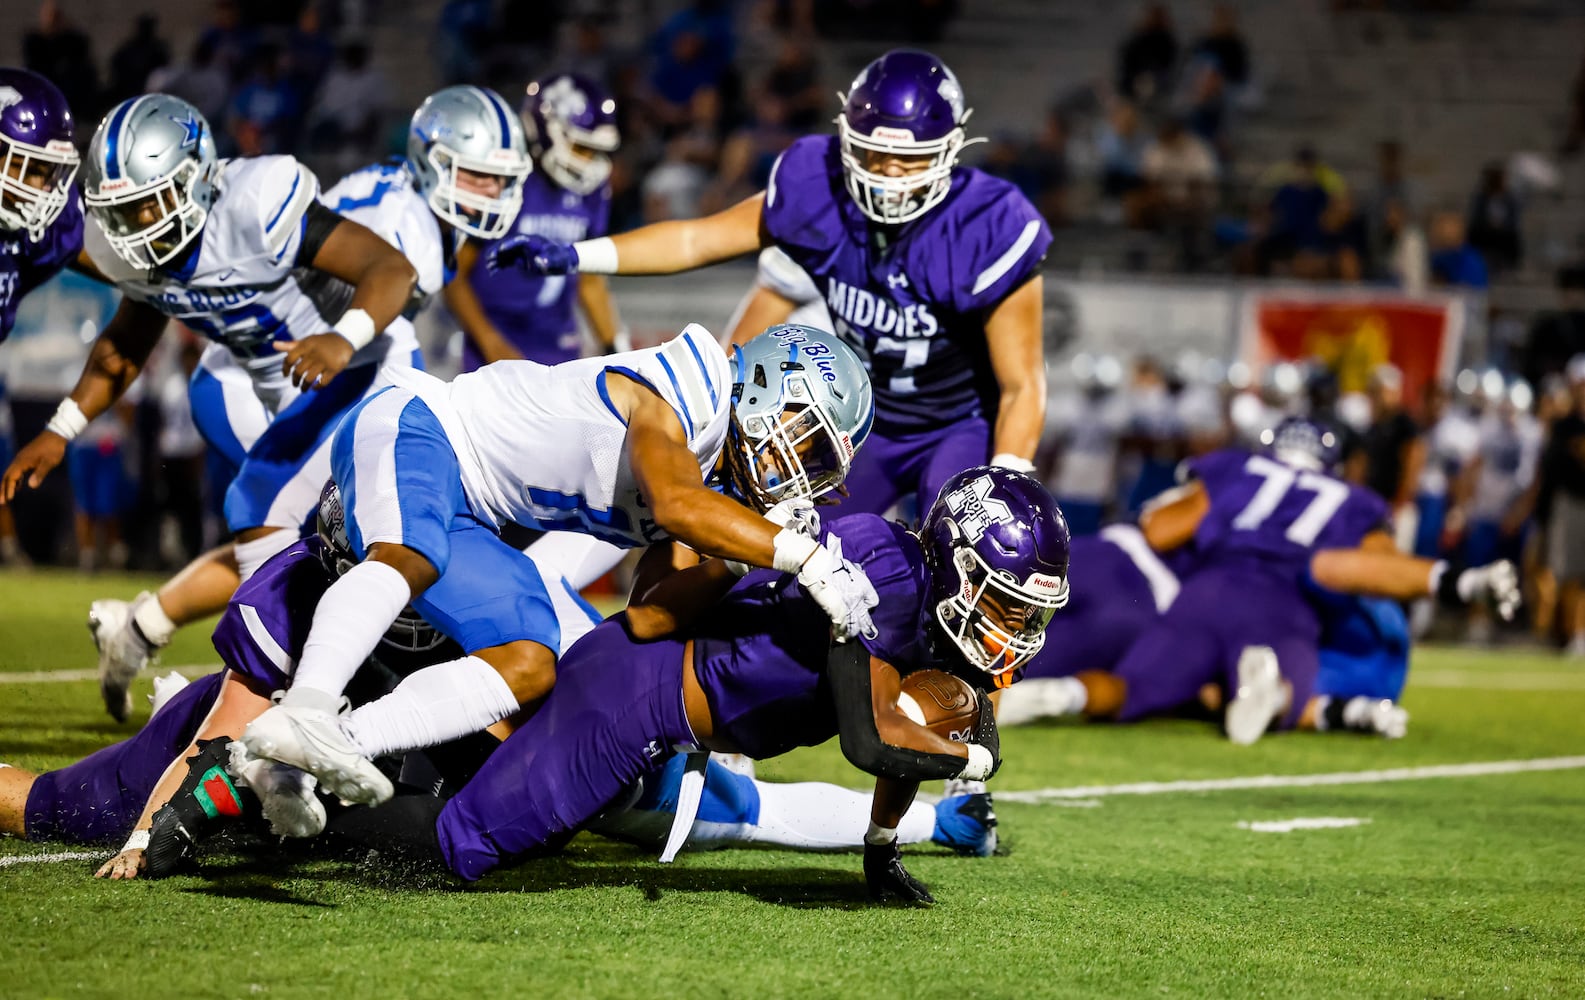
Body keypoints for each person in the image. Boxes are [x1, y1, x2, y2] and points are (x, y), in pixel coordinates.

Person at [321, 466, 1066, 899]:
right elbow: (874, 738)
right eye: (1001, 598)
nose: (1010, 624)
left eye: (1023, 610)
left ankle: (369, 767)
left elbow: (918, 722)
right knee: (467, 847)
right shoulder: (887, 574)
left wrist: (881, 848)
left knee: (515, 813)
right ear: (956, 558)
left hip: (662, 722)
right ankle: (272, 812)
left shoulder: (931, 608)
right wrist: (976, 761)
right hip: (633, 696)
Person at [237, 324, 878, 808]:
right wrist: (803, 557)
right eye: (809, 440)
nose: (805, 469)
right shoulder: (697, 381)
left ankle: (322, 750)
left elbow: (650, 616)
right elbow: (676, 504)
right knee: (412, 553)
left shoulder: (718, 479)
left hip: (473, 515)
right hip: (423, 425)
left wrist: (732, 568)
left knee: (530, 661)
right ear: (770, 385)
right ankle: (307, 705)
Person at [488, 49, 1050, 521]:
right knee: (779, 547)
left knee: (956, 548)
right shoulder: (818, 182)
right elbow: (698, 241)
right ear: (848, 139)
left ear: (949, 151)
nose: (888, 176)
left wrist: (1009, 478)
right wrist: (577, 254)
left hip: (958, 423)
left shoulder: (989, 223)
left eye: (910, 159)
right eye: (875, 154)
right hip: (862, 421)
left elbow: (1022, 384)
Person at [1, 94, 423, 721]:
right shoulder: (139, 250)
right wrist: (62, 427)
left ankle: (287, 687)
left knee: (271, 510)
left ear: (197, 178)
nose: (135, 226)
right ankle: (302, 683)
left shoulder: (253, 205)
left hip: (368, 372)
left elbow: (390, 268)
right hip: (297, 398)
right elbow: (126, 342)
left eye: (148, 204)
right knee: (304, 535)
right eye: (120, 212)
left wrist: (343, 336)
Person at [447, 73, 625, 371]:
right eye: (581, 147)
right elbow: (454, 273)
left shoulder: (593, 192)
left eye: (595, 151)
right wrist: (491, 342)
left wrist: (615, 348)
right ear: (546, 130)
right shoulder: (503, 180)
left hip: (559, 344)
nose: (589, 161)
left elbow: (590, 280)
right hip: (496, 343)